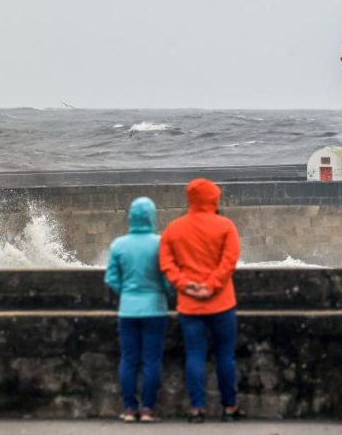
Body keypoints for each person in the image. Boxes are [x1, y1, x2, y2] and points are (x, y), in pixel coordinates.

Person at [159, 178, 244, 423]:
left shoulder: (174, 229)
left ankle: (197, 409)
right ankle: (229, 408)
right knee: (225, 355)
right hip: (222, 303)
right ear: (214, 199)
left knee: (194, 355)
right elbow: (229, 262)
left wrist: (186, 284)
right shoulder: (226, 226)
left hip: (189, 304)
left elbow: (166, 263)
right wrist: (211, 286)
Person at [104, 197, 171, 423]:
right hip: (155, 309)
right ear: (152, 216)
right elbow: (168, 278)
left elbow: (111, 278)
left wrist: (127, 292)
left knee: (129, 360)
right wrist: (165, 294)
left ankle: (130, 409)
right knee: (152, 360)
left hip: (128, 309)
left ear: (131, 217)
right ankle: (148, 409)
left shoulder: (119, 245)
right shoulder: (160, 244)